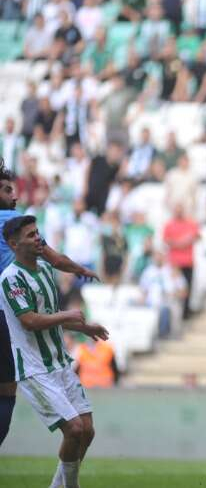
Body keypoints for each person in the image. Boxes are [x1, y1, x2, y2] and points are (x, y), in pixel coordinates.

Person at [0, 215, 108, 485]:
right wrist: (68, 315)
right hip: (34, 369)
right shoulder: (10, 279)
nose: (37, 238)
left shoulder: (47, 271)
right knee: (73, 429)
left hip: (59, 363)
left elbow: (50, 315)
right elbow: (30, 321)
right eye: (30, 235)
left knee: (87, 431)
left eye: (37, 233)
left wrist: (85, 329)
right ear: (13, 244)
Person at [0, 168, 99, 448]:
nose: (15, 196)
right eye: (7, 190)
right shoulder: (12, 221)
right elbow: (52, 257)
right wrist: (81, 269)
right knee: (6, 392)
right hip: (7, 316)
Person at [163, 204, 200, 320]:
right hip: (175, 263)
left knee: (187, 288)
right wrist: (182, 242)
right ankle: (175, 315)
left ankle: (186, 313)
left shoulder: (190, 223)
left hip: (188, 261)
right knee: (174, 288)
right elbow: (166, 240)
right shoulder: (169, 225)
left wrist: (182, 242)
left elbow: (197, 236)